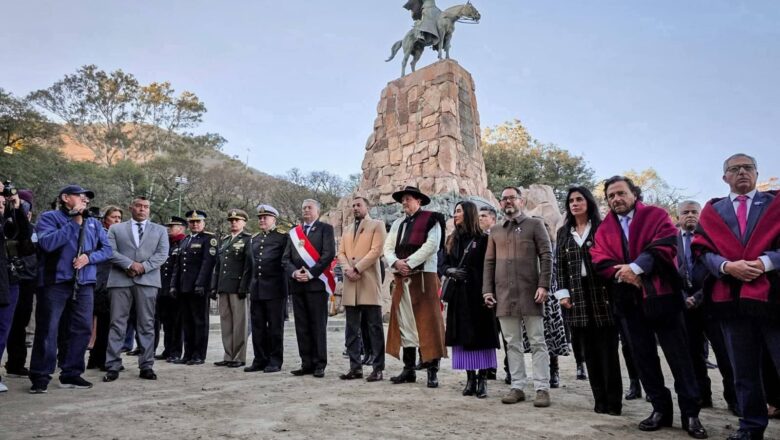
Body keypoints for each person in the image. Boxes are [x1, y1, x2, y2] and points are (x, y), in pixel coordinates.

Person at [591, 176, 707, 438]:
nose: (616, 199)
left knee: (680, 357)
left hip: (663, 297)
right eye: (611, 196)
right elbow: (598, 257)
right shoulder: (605, 227)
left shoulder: (655, 215)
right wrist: (623, 273)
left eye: (621, 193)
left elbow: (665, 243)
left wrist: (636, 267)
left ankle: (691, 413)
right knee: (643, 358)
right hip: (628, 301)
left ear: (634, 193)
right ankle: (660, 409)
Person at [693, 153, 779, 440]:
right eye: (735, 168)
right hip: (730, 299)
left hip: (772, 298)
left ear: (756, 173)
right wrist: (727, 266)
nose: (742, 172)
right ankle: (751, 427)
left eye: (748, 167)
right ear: (724, 177)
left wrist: (764, 263)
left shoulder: (775, 204)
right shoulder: (713, 211)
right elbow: (702, 250)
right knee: (742, 369)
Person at [29, 185, 112, 394]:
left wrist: (89, 258)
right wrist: (74, 224)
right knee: (48, 329)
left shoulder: (93, 222)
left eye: (87, 198)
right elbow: (47, 244)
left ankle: (71, 372)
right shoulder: (49, 218)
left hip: (84, 283)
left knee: (82, 328)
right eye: (81, 196)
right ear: (65, 198)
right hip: (54, 283)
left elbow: (107, 250)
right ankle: (40, 375)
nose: (86, 200)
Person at [554, 186, 622, 415]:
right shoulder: (564, 233)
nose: (575, 203)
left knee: (608, 351)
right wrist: (562, 294)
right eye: (571, 200)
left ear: (588, 202)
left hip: (602, 293)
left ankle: (614, 402)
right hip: (577, 295)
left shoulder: (603, 228)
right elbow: (560, 267)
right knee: (589, 352)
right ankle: (599, 400)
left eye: (579, 199)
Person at [483, 186, 553, 408]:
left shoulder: (535, 225)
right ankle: (518, 386)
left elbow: (547, 255)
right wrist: (487, 290)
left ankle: (542, 388)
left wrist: (544, 285)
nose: (507, 201)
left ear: (521, 201)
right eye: (504, 199)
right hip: (504, 294)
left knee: (537, 342)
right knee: (512, 343)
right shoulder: (495, 230)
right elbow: (489, 263)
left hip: (531, 293)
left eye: (512, 197)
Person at [676, 200, 737, 414]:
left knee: (724, 353)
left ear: (701, 215)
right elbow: (670, 271)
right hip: (684, 306)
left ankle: (734, 398)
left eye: (694, 212)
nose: (690, 215)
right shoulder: (672, 241)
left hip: (712, 303)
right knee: (693, 355)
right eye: (685, 212)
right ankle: (703, 396)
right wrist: (684, 297)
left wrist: (699, 296)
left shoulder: (712, 237)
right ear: (678, 217)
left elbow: (717, 269)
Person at [383, 186, 447, 388]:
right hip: (403, 278)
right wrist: (396, 263)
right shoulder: (397, 224)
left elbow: (432, 245)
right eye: (402, 200)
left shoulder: (432, 219)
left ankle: (431, 371)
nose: (404, 202)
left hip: (424, 276)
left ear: (418, 201)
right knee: (406, 323)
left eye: (408, 199)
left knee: (428, 324)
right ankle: (409, 369)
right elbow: (388, 247)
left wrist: (408, 263)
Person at [103, 197, 169, 382]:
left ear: (149, 209)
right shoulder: (116, 229)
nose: (142, 209)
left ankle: (146, 365)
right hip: (120, 280)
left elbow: (162, 254)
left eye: (146, 207)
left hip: (147, 281)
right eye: (139, 206)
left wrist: (144, 267)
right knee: (117, 323)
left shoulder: (160, 230)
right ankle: (113, 365)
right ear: (131, 207)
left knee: (147, 324)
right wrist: (129, 264)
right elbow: (110, 250)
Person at [442, 201, 498, 398]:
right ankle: (470, 378)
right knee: (463, 337)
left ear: (468, 213)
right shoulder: (452, 239)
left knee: (481, 336)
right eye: (455, 211)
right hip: (459, 295)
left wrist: (488, 291)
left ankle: (482, 379)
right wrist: (450, 270)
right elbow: (443, 262)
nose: (455, 214)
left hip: (478, 295)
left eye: (458, 211)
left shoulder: (483, 240)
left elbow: (490, 267)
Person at [283, 199, 336, 378]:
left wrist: (311, 273)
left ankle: (319, 364)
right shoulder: (294, 233)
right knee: (302, 326)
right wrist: (294, 272)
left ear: (317, 211)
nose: (305, 210)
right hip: (297, 285)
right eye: (303, 207)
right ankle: (306, 363)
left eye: (309, 208)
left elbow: (328, 254)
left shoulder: (325, 229)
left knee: (317, 326)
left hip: (316, 285)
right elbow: (285, 259)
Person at [337, 197, 387, 382]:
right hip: (351, 283)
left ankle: (378, 368)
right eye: (353, 206)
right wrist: (347, 269)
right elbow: (340, 252)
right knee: (351, 329)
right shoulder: (348, 229)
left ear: (367, 207)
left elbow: (376, 251)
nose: (355, 208)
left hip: (368, 282)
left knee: (374, 328)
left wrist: (357, 268)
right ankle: (355, 367)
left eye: (359, 205)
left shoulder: (377, 225)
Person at [241, 205, 289, 373]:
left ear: (274, 219)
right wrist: (247, 286)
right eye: (260, 218)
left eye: (265, 217)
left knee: (275, 328)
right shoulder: (254, 238)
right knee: (258, 327)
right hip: (257, 288)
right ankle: (259, 359)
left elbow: (286, 262)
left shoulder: (282, 237)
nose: (262, 220)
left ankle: (275, 360)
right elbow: (250, 265)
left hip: (275, 289)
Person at [170, 210, 217, 365]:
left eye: (198, 222)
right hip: (184, 287)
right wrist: (173, 285)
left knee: (199, 322)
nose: (195, 224)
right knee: (187, 322)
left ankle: (198, 354)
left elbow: (207, 263)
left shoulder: (208, 239)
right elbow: (178, 265)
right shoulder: (185, 240)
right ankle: (188, 353)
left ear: (203, 223)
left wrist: (200, 284)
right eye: (192, 222)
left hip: (198, 287)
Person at [0, 187, 35, 392]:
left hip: (9, 280)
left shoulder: (10, 222)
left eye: (3, 204)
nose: (2, 207)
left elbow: (25, 237)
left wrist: (16, 206)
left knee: (4, 328)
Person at [211, 209, 252, 368]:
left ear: (244, 223)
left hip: (238, 287)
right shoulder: (225, 240)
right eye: (231, 220)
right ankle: (228, 355)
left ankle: (239, 357)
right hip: (224, 286)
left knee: (240, 323)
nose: (234, 223)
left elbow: (249, 266)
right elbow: (219, 266)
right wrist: (214, 287)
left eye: (237, 220)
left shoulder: (248, 240)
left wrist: (244, 286)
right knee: (226, 322)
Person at [86, 206, 122, 371]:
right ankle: (96, 359)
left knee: (107, 324)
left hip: (112, 283)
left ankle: (99, 358)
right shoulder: (99, 233)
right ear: (105, 219)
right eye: (113, 217)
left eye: (119, 218)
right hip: (99, 282)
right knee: (97, 323)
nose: (117, 220)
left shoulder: (120, 235)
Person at [156, 216, 186, 363]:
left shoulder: (183, 243)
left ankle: (176, 351)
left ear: (180, 228)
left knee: (176, 322)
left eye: (172, 227)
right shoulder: (168, 244)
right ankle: (167, 349)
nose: (169, 229)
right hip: (164, 287)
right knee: (166, 321)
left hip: (175, 289)